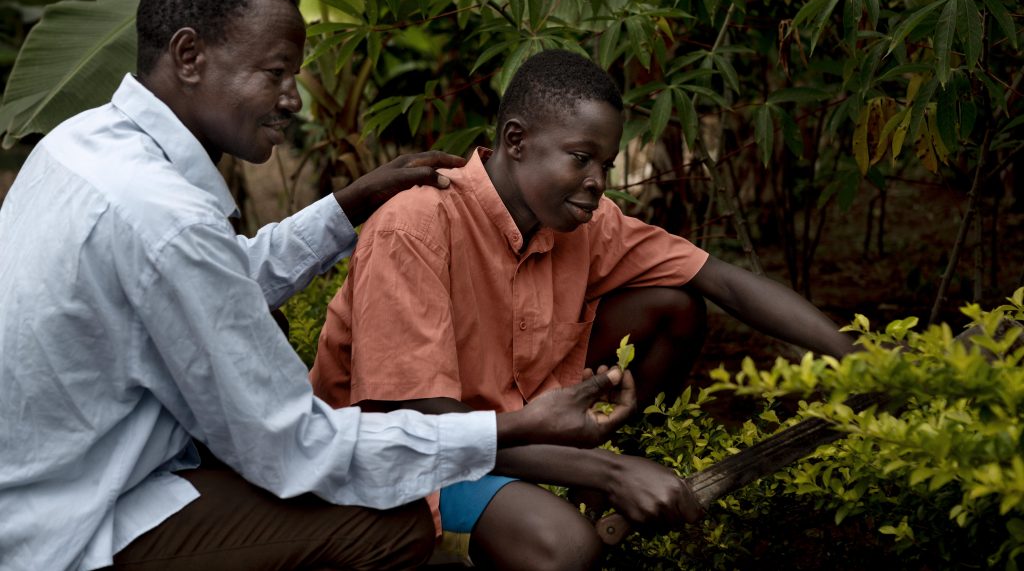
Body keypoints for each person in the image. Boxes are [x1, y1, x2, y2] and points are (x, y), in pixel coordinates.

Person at [0, 0, 639, 571]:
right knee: (388, 523)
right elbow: (296, 447)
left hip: (41, 480)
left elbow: (208, 280)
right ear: (189, 56)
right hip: (72, 520)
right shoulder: (167, 217)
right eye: (274, 74)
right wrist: (513, 429)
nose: (292, 100)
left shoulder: (80, 142)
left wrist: (346, 206)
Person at [310, 48, 857, 569]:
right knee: (565, 550)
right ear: (516, 140)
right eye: (581, 158)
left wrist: (865, 358)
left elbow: (722, 281)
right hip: (411, 457)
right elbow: (425, 430)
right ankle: (486, 528)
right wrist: (610, 472)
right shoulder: (418, 226)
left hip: (512, 421)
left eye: (606, 163)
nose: (598, 182)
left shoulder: (583, 221)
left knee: (674, 303)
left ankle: (570, 479)